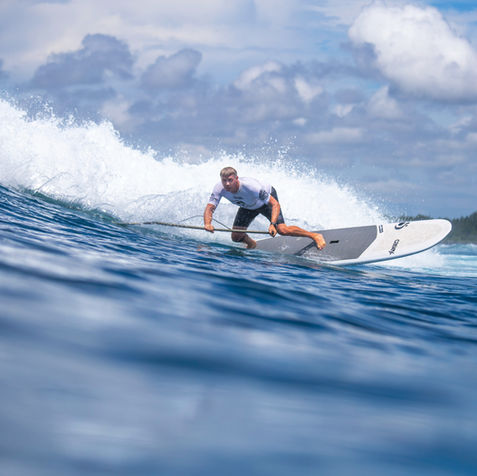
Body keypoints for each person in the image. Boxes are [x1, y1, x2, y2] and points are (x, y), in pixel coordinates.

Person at [203, 166, 326, 250]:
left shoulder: (251, 187)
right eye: (224, 180)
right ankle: (252, 244)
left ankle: (314, 235)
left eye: (230, 180)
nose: (227, 184)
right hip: (247, 206)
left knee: (282, 230)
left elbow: (275, 204)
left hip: (265, 203)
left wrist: (272, 224)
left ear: (236, 178)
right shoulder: (219, 188)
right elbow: (210, 207)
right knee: (236, 237)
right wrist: (207, 223)